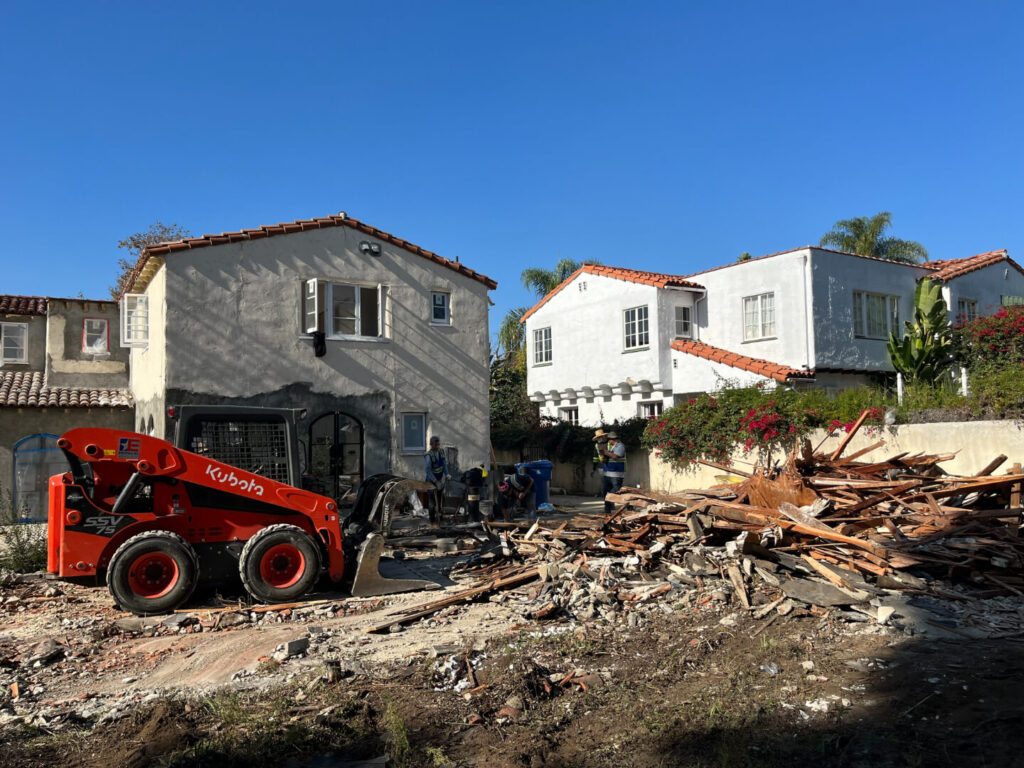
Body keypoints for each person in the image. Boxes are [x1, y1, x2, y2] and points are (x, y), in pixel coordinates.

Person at [424, 436, 450, 522]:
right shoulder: (429, 455)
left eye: (438, 444)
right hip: (430, 481)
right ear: (431, 445)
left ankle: (440, 518)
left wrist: (447, 474)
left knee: (440, 500)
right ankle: (432, 521)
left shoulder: (441, 452)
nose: (438, 446)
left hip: (439, 480)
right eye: (436, 445)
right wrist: (435, 481)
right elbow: (428, 469)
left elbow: (444, 464)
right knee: (432, 502)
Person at [599, 431, 626, 513]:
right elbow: (607, 458)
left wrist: (605, 451)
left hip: (616, 474)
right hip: (607, 473)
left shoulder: (620, 446)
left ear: (612, 439)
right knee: (606, 492)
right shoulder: (612, 447)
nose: (608, 441)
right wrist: (602, 453)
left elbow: (615, 456)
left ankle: (629, 505)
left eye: (609, 439)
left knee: (617, 491)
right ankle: (607, 509)